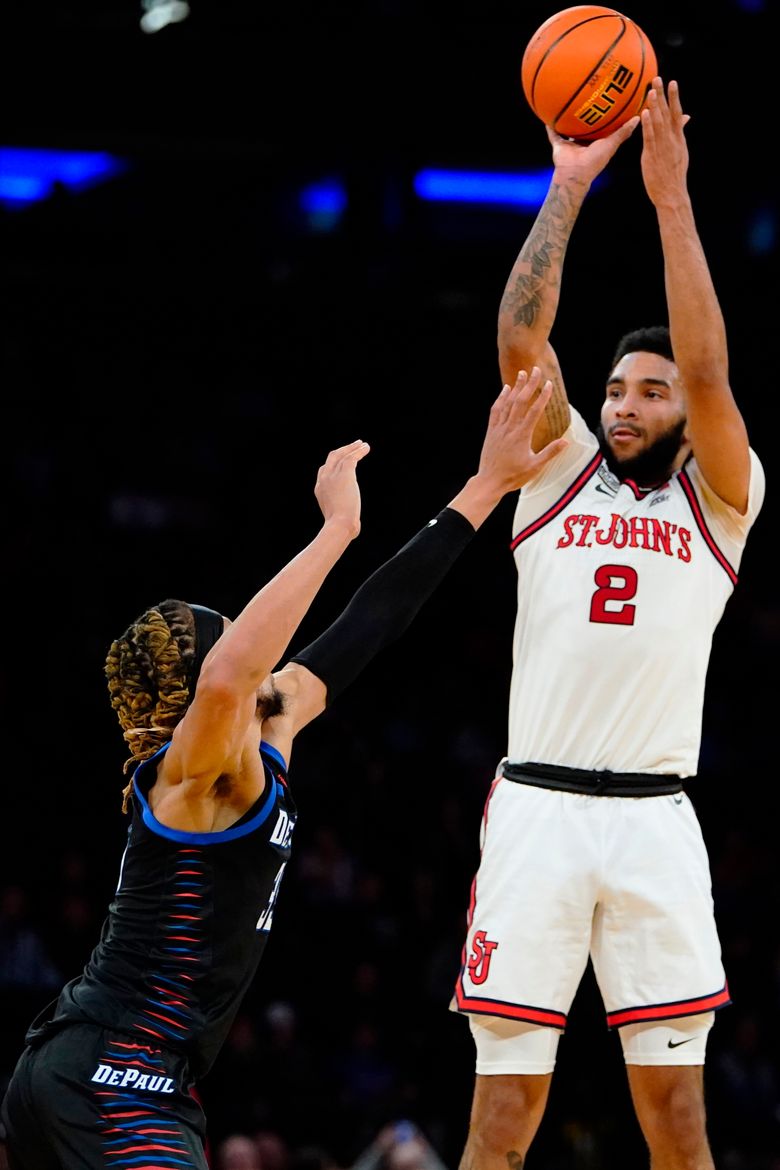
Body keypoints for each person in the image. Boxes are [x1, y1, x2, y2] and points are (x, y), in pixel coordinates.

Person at [0, 369, 565, 1170]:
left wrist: (487, 484)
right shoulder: (188, 777)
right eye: (233, 630)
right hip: (108, 1078)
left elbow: (372, 617)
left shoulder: (269, 728)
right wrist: (337, 528)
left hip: (124, 1070)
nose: (254, 642)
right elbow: (231, 673)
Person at [450, 78, 765, 1169]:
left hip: (654, 821)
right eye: (618, 387)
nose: (626, 403)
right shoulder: (558, 472)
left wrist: (672, 201)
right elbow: (520, 334)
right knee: (503, 1119)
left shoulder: (722, 496)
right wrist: (570, 185)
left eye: (650, 391)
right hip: (538, 808)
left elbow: (714, 371)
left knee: (679, 1117)